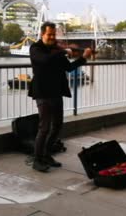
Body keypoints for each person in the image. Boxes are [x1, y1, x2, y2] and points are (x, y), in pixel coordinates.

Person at [28, 21, 92, 172]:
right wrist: (64, 51)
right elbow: (44, 60)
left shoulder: (56, 50)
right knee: (44, 127)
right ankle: (37, 160)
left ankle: (46, 155)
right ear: (42, 34)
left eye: (53, 34)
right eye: (49, 34)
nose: (51, 37)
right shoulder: (35, 48)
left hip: (56, 91)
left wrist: (83, 58)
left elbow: (68, 67)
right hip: (43, 92)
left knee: (57, 126)